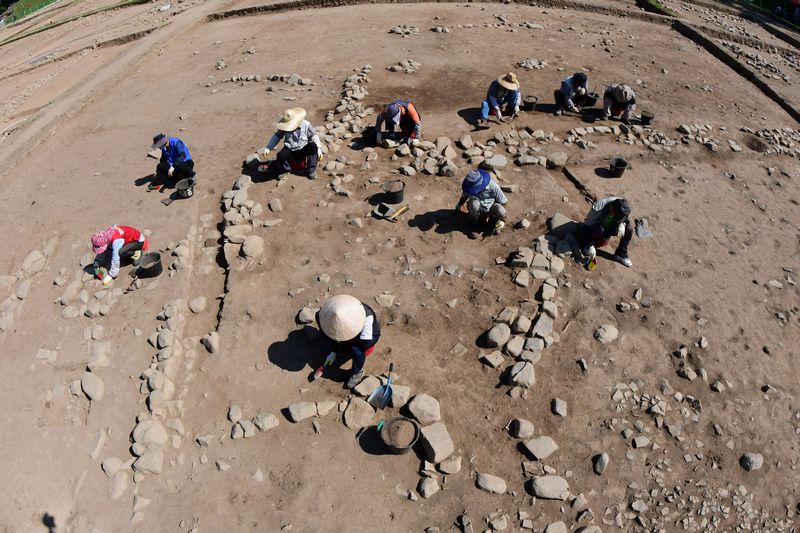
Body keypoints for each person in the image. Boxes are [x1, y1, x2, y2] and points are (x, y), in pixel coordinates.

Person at [315, 294, 381, 389]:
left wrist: (348, 342)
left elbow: (365, 344)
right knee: (324, 325)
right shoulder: (326, 312)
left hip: (367, 337)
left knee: (357, 351)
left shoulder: (366, 317)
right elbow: (321, 321)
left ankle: (357, 371)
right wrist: (334, 351)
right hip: (342, 330)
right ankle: (335, 348)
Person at [258, 107, 321, 180]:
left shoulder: (306, 125)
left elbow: (314, 136)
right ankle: (285, 170)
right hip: (290, 149)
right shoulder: (284, 126)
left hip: (303, 148)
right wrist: (268, 147)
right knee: (281, 155)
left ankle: (311, 171)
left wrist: (319, 149)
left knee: (313, 147)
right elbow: (277, 136)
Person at [580, 197, 633, 268]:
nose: (618, 218)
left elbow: (625, 216)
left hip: (610, 227)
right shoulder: (598, 208)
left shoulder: (622, 203)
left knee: (629, 229)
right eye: (616, 216)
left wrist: (623, 224)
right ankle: (588, 246)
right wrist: (589, 244)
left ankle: (620, 254)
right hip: (597, 227)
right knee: (597, 231)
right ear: (611, 208)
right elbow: (586, 226)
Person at [455, 169, 507, 239]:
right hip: (478, 211)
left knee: (501, 210)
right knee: (474, 205)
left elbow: (504, 202)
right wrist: (459, 205)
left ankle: (494, 221)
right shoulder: (469, 187)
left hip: (491, 208)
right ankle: (476, 223)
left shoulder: (494, 186)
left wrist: (503, 220)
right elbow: (464, 196)